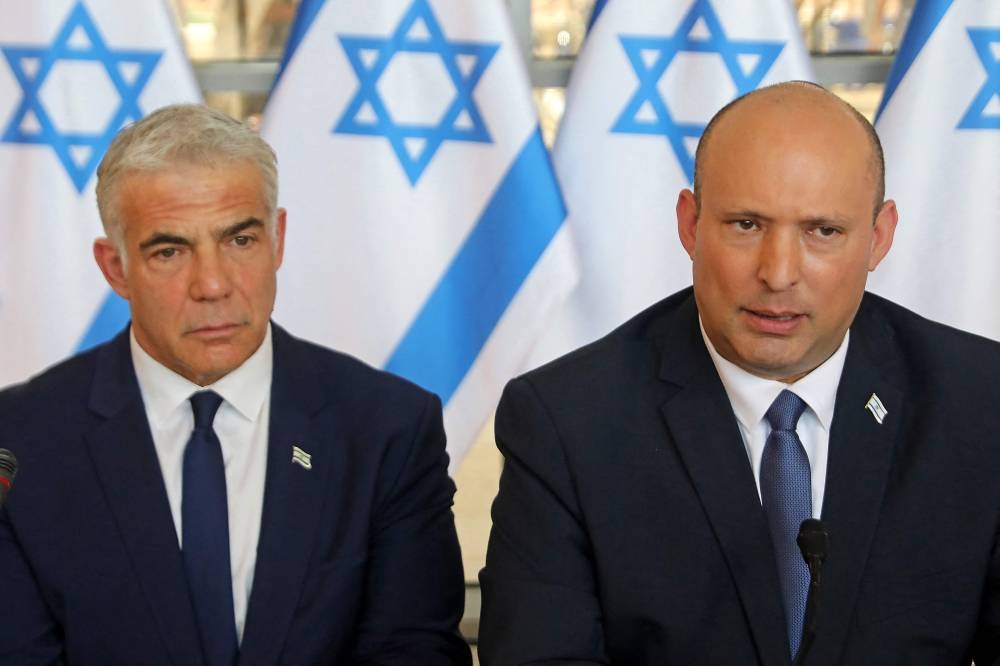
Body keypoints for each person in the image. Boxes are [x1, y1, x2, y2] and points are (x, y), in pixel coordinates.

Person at [478, 81, 1000, 664]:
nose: (778, 274)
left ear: (878, 238)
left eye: (822, 231)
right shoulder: (567, 423)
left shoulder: (981, 405)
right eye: (746, 225)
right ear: (689, 224)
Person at [0, 104, 471, 665]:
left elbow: (413, 651)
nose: (213, 284)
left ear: (278, 239)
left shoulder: (387, 430)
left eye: (240, 241)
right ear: (116, 268)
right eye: (170, 251)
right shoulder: (21, 443)